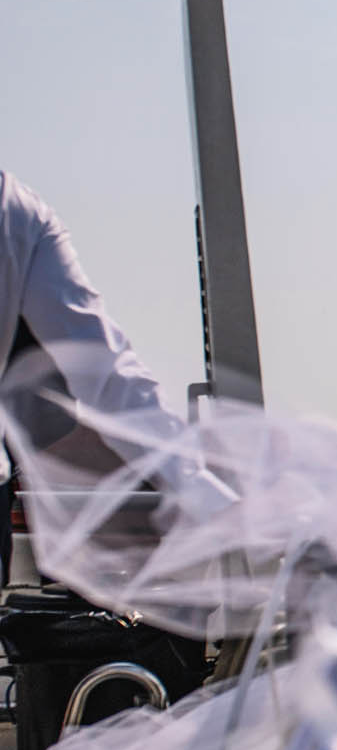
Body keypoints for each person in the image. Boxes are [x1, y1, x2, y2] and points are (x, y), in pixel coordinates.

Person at [0, 172, 234, 583]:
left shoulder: (17, 213)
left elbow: (102, 370)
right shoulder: (16, 210)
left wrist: (201, 491)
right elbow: (105, 372)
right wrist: (200, 490)